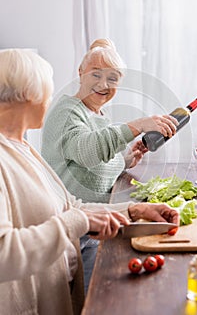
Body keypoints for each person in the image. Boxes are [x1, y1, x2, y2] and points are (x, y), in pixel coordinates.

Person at [0, 49, 179, 314]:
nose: (50, 100)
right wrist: (79, 222)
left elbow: (69, 206)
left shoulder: (22, 147)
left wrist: (132, 210)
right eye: (47, 92)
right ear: (28, 94)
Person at [41, 38, 178, 293]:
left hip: (99, 223)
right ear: (80, 73)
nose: (104, 85)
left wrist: (126, 159)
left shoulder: (97, 114)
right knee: (103, 297)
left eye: (113, 78)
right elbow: (88, 151)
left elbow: (94, 163)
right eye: (96, 74)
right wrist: (138, 125)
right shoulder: (67, 112)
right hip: (77, 232)